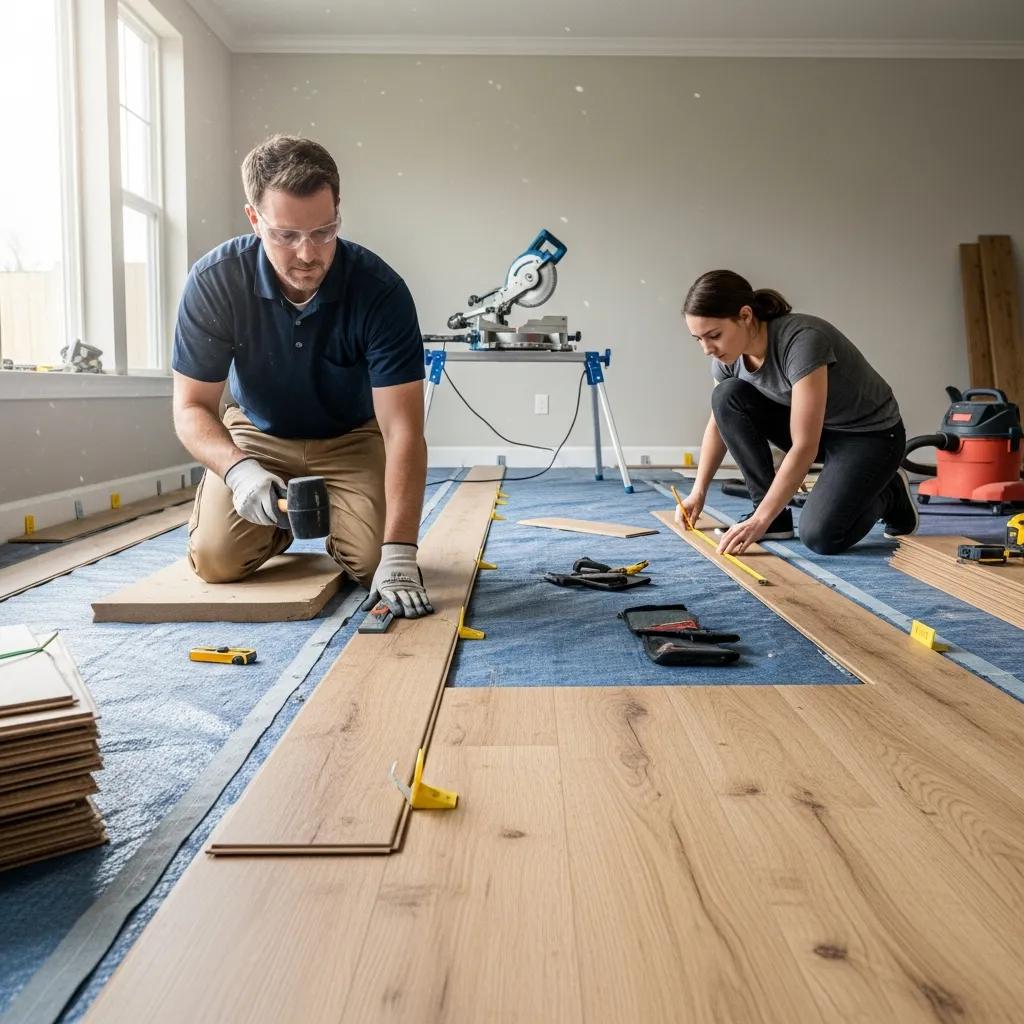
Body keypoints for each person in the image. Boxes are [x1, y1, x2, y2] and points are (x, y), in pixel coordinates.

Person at [171, 134, 432, 618]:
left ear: (337, 212)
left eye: (324, 231)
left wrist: (400, 552)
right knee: (216, 561)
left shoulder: (380, 292)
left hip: (350, 437)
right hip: (256, 435)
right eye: (286, 235)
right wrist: (238, 471)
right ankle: (280, 518)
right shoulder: (214, 282)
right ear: (254, 218)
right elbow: (191, 409)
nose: (308, 254)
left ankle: (338, 516)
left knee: (376, 560)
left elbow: (403, 430)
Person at [678, 269, 918, 556]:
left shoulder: (802, 340)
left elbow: (805, 445)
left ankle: (889, 492)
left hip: (870, 437)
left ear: (745, 316)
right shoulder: (727, 357)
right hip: (818, 432)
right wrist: (698, 492)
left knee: (822, 537)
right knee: (726, 395)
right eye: (698, 339)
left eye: (714, 335)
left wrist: (758, 521)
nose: (707, 349)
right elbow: (719, 421)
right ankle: (775, 519)